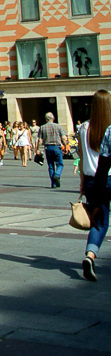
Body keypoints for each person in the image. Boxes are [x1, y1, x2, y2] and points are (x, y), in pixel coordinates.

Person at [79, 90, 111, 282]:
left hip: (93, 180)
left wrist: (82, 183)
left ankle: (90, 256)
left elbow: (82, 157)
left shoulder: (83, 128)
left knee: (99, 220)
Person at [38, 112, 65, 188]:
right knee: (60, 164)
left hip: (48, 148)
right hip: (57, 147)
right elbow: (63, 137)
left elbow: (40, 140)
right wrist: (65, 146)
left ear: (46, 119)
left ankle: (53, 183)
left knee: (50, 165)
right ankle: (57, 175)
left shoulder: (42, 127)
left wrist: (37, 149)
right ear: (53, 118)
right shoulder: (58, 126)